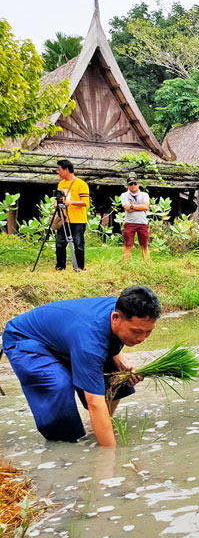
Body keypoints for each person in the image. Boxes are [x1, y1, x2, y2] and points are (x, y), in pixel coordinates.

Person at [1, 286, 161, 446]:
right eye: (136, 331)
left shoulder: (122, 306)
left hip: (66, 338)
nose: (142, 338)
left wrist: (119, 358)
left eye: (148, 332)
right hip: (24, 339)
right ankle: (65, 446)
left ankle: (95, 428)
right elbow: (94, 401)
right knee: (58, 385)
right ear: (115, 318)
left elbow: (105, 338)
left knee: (116, 377)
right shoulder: (90, 342)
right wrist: (110, 457)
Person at [55, 158, 90, 271]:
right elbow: (58, 198)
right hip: (64, 219)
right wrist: (56, 203)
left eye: (59, 169)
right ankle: (60, 266)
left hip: (78, 220)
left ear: (66, 170)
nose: (58, 172)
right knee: (60, 243)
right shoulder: (61, 184)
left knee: (78, 244)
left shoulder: (81, 184)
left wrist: (71, 203)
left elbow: (85, 202)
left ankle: (80, 266)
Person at [120, 174, 150, 262]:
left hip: (143, 223)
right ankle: (126, 264)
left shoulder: (144, 194)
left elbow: (146, 206)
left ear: (138, 184)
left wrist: (132, 207)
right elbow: (126, 208)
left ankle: (147, 265)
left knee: (144, 245)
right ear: (127, 186)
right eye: (130, 184)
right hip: (130, 223)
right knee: (128, 245)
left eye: (134, 183)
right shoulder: (124, 195)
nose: (133, 186)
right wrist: (140, 206)